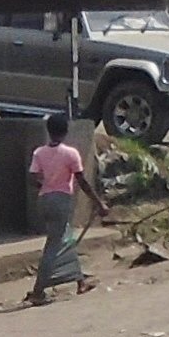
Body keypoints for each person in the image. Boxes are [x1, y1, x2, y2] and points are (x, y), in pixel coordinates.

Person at [27, 124, 103, 304]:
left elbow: (32, 178)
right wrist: (99, 203)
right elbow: (82, 181)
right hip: (61, 201)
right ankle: (38, 291)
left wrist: (46, 186)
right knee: (54, 244)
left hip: (44, 200)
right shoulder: (70, 153)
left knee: (66, 238)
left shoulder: (39, 153)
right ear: (65, 132)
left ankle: (80, 282)